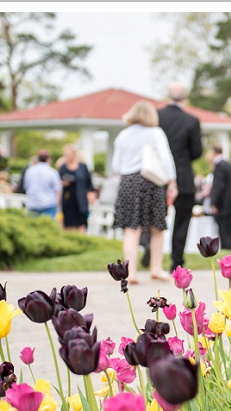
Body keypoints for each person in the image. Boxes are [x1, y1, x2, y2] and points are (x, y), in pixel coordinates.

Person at [112, 100, 177, 284]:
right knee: (157, 228)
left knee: (131, 230)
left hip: (127, 182)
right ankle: (156, 268)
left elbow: (115, 165)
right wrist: (172, 182)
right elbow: (165, 158)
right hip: (150, 181)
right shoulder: (154, 133)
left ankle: (130, 272)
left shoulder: (123, 135)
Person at [158, 82, 203, 272]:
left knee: (155, 219)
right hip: (183, 176)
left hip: (158, 176)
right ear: (185, 98)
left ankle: (149, 255)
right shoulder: (191, 120)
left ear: (167, 94)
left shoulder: (156, 116)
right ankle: (176, 262)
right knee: (182, 222)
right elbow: (197, 151)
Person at [58, 144, 98, 233]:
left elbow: (89, 183)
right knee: (67, 226)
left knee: (81, 225)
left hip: (81, 202)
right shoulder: (63, 168)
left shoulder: (83, 167)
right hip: (68, 201)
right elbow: (58, 182)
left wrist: (91, 194)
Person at [207, 145, 231, 250]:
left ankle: (227, 258)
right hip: (230, 206)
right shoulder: (227, 165)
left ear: (214, 153)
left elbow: (218, 186)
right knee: (228, 234)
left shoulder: (220, 166)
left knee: (225, 235)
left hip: (224, 206)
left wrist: (214, 203)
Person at [23, 149, 62, 220]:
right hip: (49, 205)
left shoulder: (29, 171)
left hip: (32, 204)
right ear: (48, 159)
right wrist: (58, 207)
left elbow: (26, 186)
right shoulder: (52, 172)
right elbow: (58, 190)